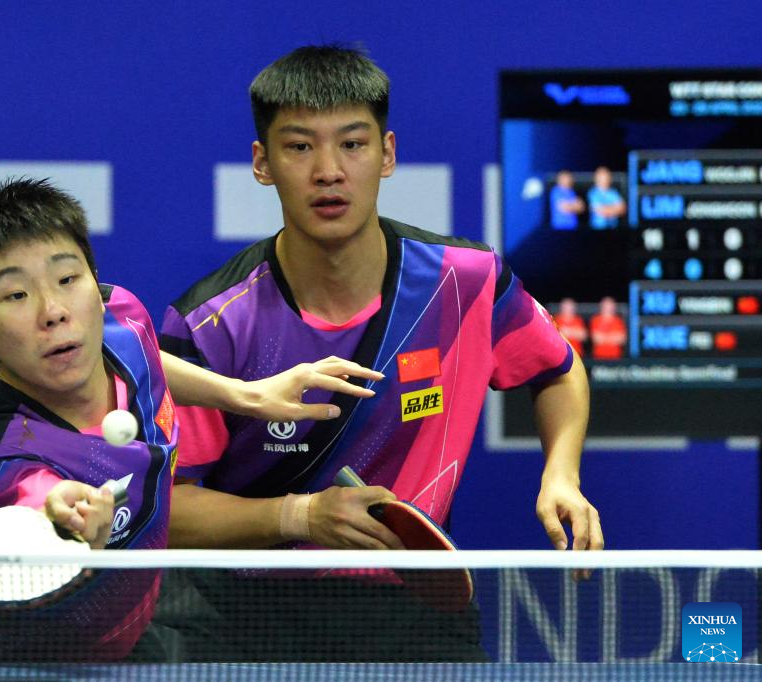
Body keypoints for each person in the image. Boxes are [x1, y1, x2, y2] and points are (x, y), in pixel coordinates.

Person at [159, 45, 602, 661]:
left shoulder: (464, 284)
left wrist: (561, 474)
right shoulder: (211, 323)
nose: (328, 171)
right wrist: (301, 517)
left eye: (352, 144)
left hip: (415, 607)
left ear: (387, 154)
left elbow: (558, 370)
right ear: (262, 163)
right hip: (243, 614)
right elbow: (168, 509)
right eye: (299, 147)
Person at [0, 177, 379, 663]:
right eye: (16, 295)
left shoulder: (121, 317)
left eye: (67, 279)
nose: (54, 311)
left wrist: (245, 396)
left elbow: (143, 354)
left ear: (95, 286)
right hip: (22, 664)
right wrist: (64, 518)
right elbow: (31, 498)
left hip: (129, 634)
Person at [590, 296, 627, 360]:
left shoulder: (619, 321)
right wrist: (613, 337)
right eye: (606, 305)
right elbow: (596, 339)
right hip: (599, 356)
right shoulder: (595, 320)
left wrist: (604, 337)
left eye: (610, 305)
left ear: (614, 307)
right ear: (602, 306)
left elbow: (622, 339)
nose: (608, 308)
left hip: (616, 356)